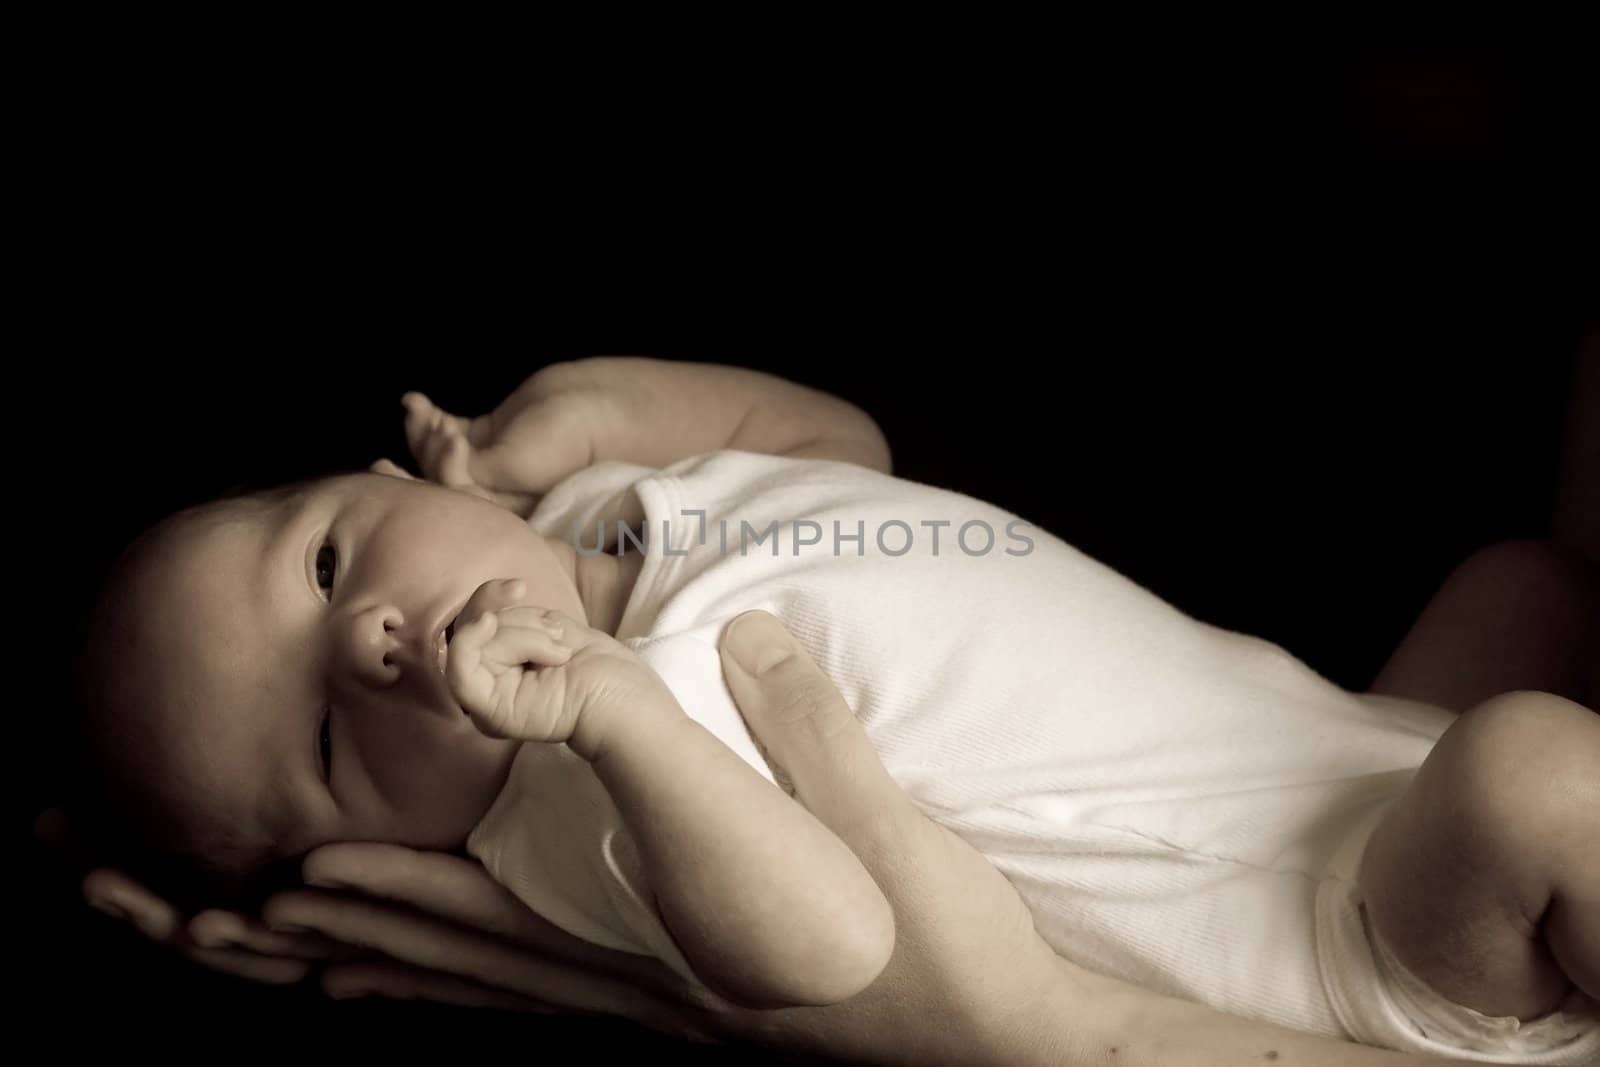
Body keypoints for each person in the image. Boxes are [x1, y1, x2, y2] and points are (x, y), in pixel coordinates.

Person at [63, 354, 1598, 1063]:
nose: (374, 647)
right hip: (1345, 951)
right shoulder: (578, 801)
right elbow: (831, 951)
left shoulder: (602, 505)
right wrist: (616, 722)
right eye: (327, 745)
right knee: (1531, 778)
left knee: (1523, 586)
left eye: (329, 565)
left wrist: (587, 409)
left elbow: (839, 445)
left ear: (391, 478)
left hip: (1332, 760)